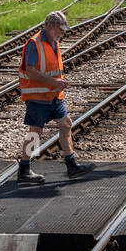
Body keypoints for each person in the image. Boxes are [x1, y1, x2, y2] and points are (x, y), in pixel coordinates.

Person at [17, 10, 93, 185]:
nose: (62, 33)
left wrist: (55, 85)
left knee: (66, 124)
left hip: (53, 96)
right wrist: (53, 82)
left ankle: (71, 165)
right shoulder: (34, 44)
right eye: (60, 29)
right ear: (49, 26)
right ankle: (24, 169)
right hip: (37, 97)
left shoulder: (53, 42)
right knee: (35, 132)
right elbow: (30, 71)